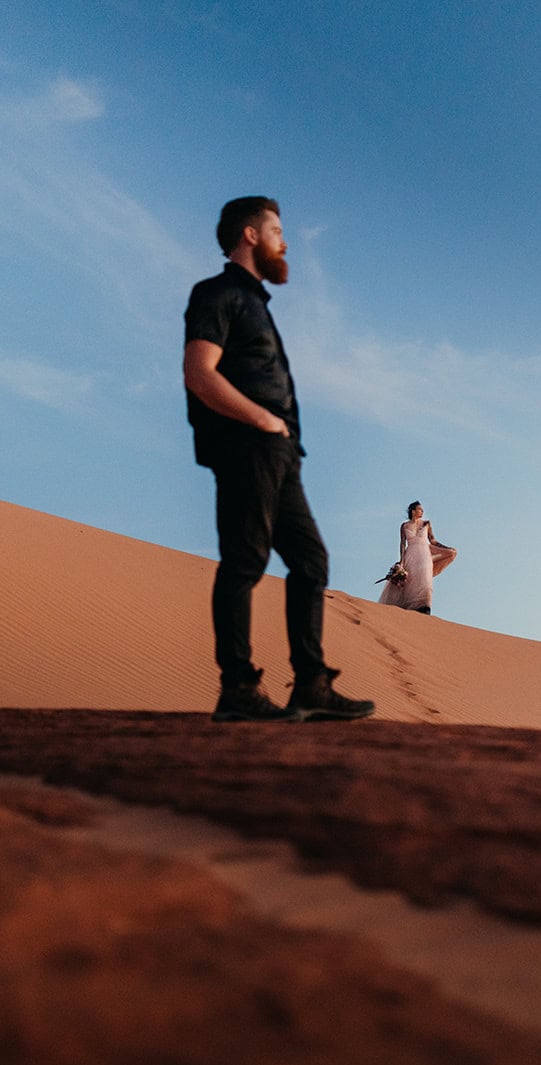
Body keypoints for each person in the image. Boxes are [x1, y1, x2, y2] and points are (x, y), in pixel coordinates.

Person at [184, 196, 376, 724]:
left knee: (311, 561)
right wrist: (263, 420)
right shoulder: (219, 293)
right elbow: (199, 373)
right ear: (250, 235)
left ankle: (311, 685)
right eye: (276, 230)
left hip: (280, 451)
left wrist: (279, 433)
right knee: (245, 560)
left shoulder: (256, 303)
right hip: (248, 443)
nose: (284, 241)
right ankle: (238, 690)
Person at [378, 501, 457, 614]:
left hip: (424, 553)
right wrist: (401, 561)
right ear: (413, 511)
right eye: (420, 509)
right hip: (410, 554)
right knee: (412, 580)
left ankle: (425, 607)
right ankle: (411, 606)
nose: (423, 511)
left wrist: (447, 548)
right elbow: (402, 544)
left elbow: (433, 540)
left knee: (425, 579)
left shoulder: (426, 524)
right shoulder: (404, 526)